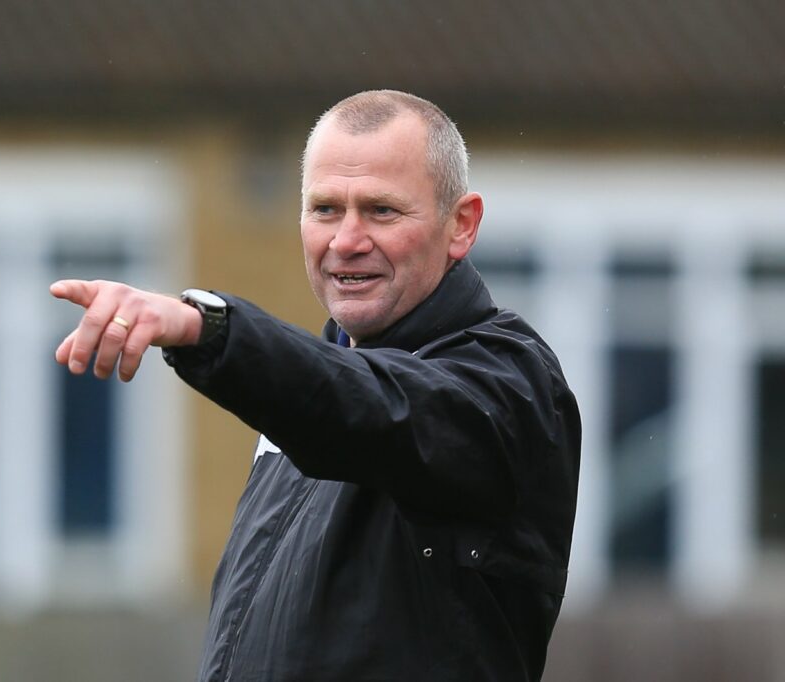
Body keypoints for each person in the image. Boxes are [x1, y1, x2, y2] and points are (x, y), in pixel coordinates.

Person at [51, 90, 580, 682]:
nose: (346, 241)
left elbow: (376, 408)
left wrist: (209, 329)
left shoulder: (510, 384)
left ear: (461, 225)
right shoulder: (310, 390)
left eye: (381, 211)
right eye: (325, 209)